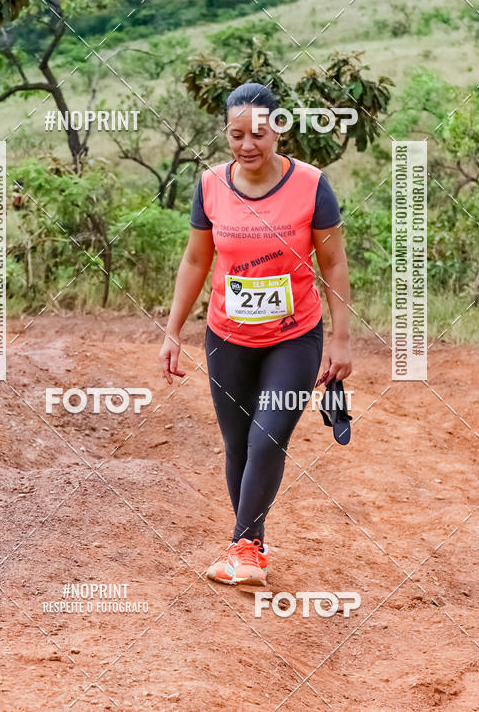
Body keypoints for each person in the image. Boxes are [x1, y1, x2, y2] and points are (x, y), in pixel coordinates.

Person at [158, 82, 352, 587]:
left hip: (295, 337)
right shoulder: (210, 185)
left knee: (268, 437)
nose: (248, 145)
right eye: (237, 134)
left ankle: (242, 547)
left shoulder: (311, 185)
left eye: (259, 134)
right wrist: (173, 331)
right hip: (226, 336)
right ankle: (252, 547)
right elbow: (197, 259)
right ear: (226, 133)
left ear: (277, 131)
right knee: (238, 445)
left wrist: (341, 338)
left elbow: (332, 261)